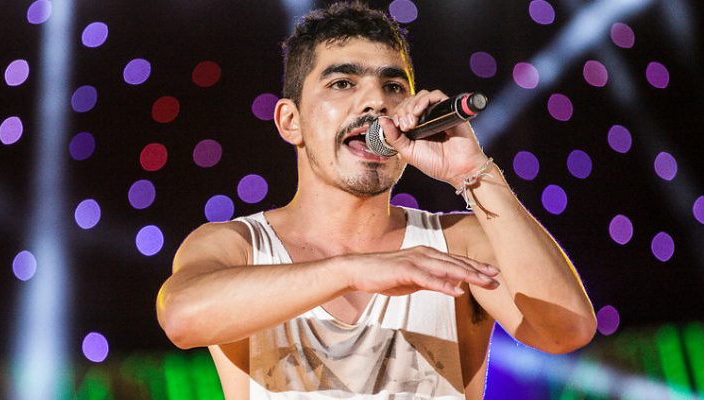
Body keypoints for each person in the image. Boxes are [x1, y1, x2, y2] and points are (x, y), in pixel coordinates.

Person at [156, 2, 596, 399]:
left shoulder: (458, 242)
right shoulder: (238, 246)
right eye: (342, 83)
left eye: (393, 86)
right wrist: (354, 270)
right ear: (291, 121)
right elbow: (181, 318)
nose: (376, 102)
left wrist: (474, 172)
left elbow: (566, 330)